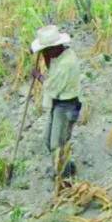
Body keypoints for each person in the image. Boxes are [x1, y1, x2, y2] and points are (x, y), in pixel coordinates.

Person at [30, 25, 82, 178]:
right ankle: (66, 167)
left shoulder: (66, 63)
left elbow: (52, 86)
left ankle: (65, 179)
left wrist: (38, 75)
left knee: (57, 145)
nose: (45, 54)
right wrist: (42, 53)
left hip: (67, 105)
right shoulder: (58, 55)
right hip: (58, 103)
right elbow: (51, 69)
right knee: (48, 141)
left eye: (46, 50)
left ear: (55, 47)